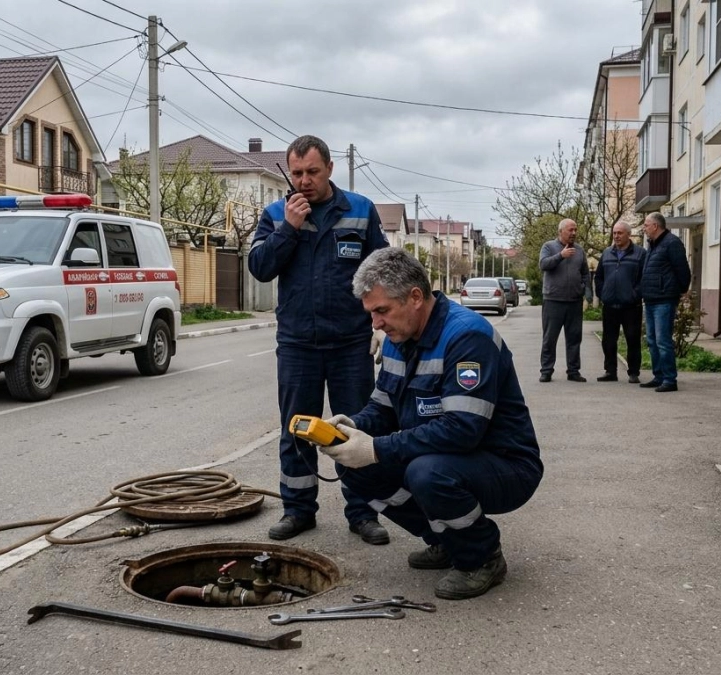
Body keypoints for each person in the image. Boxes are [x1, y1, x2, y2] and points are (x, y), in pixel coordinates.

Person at [318, 247, 544, 600]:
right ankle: (446, 540)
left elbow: (463, 430)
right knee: (354, 467)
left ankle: (482, 556)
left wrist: (375, 448)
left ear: (415, 297)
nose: (375, 324)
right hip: (447, 457)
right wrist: (351, 428)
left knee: (426, 472)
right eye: (371, 313)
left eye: (381, 311)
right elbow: (383, 408)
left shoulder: (467, 337)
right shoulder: (398, 338)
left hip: (505, 464)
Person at [248, 135, 390, 545]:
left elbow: (381, 269)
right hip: (298, 344)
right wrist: (289, 230)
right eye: (296, 173)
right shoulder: (276, 214)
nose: (304, 181)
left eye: (312, 172)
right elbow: (260, 267)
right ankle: (298, 510)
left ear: (329, 169)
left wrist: (381, 324)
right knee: (296, 428)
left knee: (356, 429)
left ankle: (363, 512)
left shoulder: (360, 210)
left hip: (350, 343)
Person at [639, 212, 691, 393]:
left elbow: (682, 270)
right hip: (651, 299)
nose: (644, 228)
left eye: (646, 225)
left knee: (662, 340)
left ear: (655, 226)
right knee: (652, 340)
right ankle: (659, 376)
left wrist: (682, 290)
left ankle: (670, 379)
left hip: (665, 299)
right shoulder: (653, 245)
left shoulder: (672, 243)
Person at [593, 221, 647, 383]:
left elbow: (643, 279)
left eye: (620, 233)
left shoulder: (640, 254)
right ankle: (610, 371)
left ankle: (633, 372)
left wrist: (634, 295)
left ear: (628, 234)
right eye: (614, 233)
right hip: (610, 305)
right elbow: (599, 277)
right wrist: (603, 294)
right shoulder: (607, 253)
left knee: (632, 338)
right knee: (608, 340)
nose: (616, 236)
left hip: (631, 306)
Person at [538, 219, 590, 382]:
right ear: (560, 231)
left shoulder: (580, 250)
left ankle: (573, 371)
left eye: (575, 230)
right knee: (550, 338)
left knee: (574, 338)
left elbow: (585, 273)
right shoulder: (548, 247)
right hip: (553, 300)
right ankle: (546, 370)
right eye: (570, 230)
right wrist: (561, 256)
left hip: (574, 301)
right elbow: (543, 264)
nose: (574, 233)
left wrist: (586, 289)